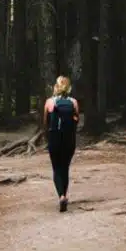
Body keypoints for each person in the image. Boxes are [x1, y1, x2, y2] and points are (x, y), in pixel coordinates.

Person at [43, 75, 79, 212]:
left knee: (56, 168)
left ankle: (61, 196)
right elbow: (77, 121)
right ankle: (64, 194)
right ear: (68, 87)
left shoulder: (49, 102)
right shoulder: (74, 102)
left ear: (56, 87)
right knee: (65, 168)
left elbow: (45, 123)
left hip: (54, 139)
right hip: (69, 140)